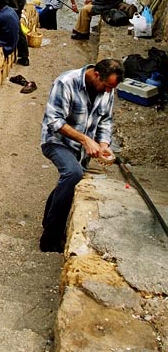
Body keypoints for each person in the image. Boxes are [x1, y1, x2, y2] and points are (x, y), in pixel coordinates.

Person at [40, 58, 124, 252]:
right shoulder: (66, 82)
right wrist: (86, 140)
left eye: (112, 88)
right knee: (73, 174)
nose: (109, 91)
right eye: (107, 86)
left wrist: (103, 144)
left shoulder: (107, 90)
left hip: (81, 148)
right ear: (96, 74)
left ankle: (48, 220)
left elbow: (105, 120)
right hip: (56, 142)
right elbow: (54, 121)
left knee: (69, 180)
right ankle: (50, 239)